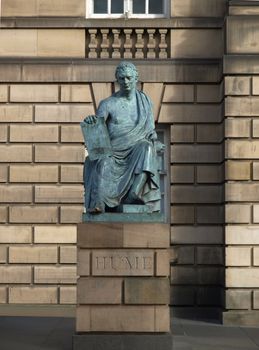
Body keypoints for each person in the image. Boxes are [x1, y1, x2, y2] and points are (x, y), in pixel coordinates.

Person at [82, 61, 162, 214]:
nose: (125, 82)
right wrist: (91, 122)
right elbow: (97, 133)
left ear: (136, 78)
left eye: (129, 78)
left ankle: (134, 193)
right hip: (113, 152)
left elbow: (150, 132)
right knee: (103, 162)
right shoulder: (107, 104)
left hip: (136, 151)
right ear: (117, 80)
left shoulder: (145, 103)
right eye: (122, 78)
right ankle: (99, 204)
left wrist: (154, 141)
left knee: (147, 148)